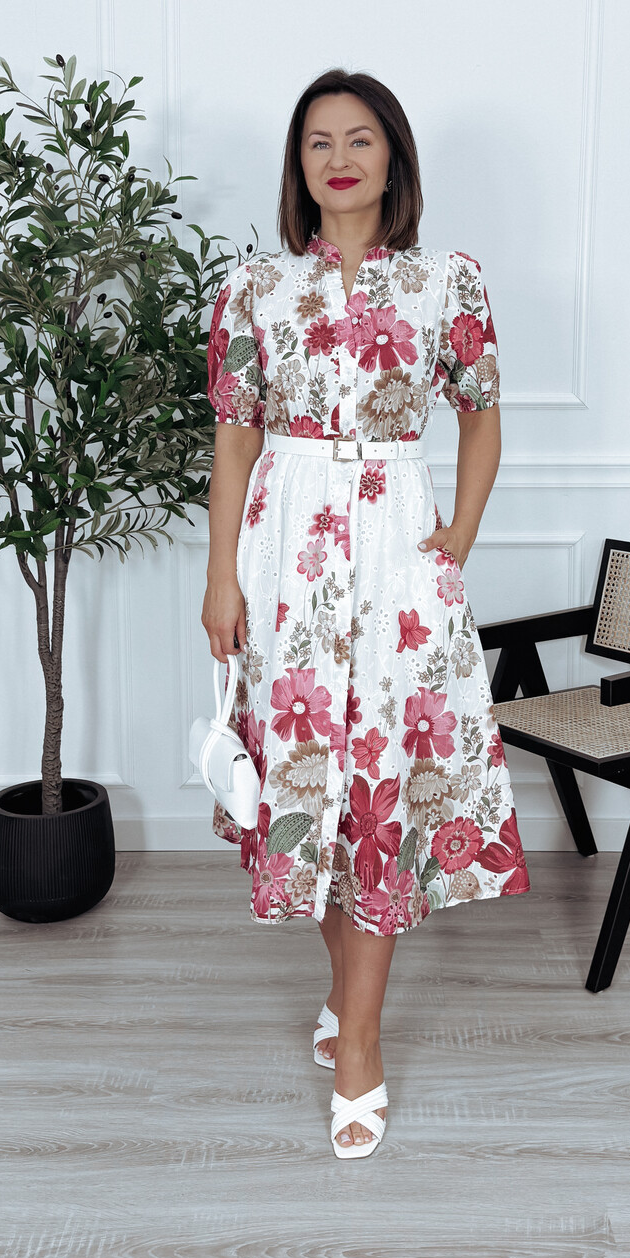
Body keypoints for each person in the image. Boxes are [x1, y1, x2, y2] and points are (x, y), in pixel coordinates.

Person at [200, 68, 530, 1159]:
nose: (338, 158)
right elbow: (235, 445)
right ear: (298, 168)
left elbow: (480, 418)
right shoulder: (255, 290)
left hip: (397, 555)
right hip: (286, 555)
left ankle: (361, 1042)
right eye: (317, 143)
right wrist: (220, 577)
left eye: (359, 138)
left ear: (393, 156)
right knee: (312, 791)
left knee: (381, 784)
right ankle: (346, 995)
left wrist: (459, 535)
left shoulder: (448, 283)